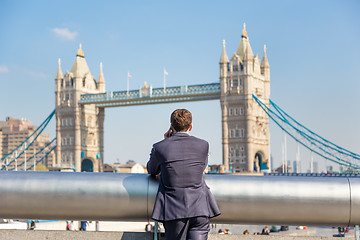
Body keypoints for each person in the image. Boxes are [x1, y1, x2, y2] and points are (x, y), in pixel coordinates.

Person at [147, 109, 221, 240]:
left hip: (173, 212)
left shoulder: (160, 147)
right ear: (191, 126)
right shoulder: (203, 145)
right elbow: (201, 167)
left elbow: (152, 170)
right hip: (200, 209)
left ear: (171, 126)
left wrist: (165, 141)